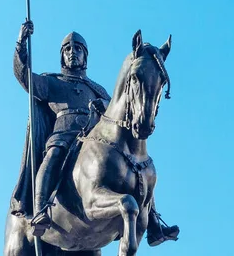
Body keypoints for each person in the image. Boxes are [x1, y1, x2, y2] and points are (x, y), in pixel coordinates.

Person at [10, 20, 179, 246]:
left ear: (85, 56)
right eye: (68, 49)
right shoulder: (52, 81)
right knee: (52, 156)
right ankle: (41, 210)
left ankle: (154, 222)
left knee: (139, 165)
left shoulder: (97, 89)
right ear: (62, 56)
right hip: (65, 135)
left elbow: (116, 113)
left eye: (77, 49)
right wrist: (21, 43)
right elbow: (25, 78)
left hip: (95, 137)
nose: (72, 53)